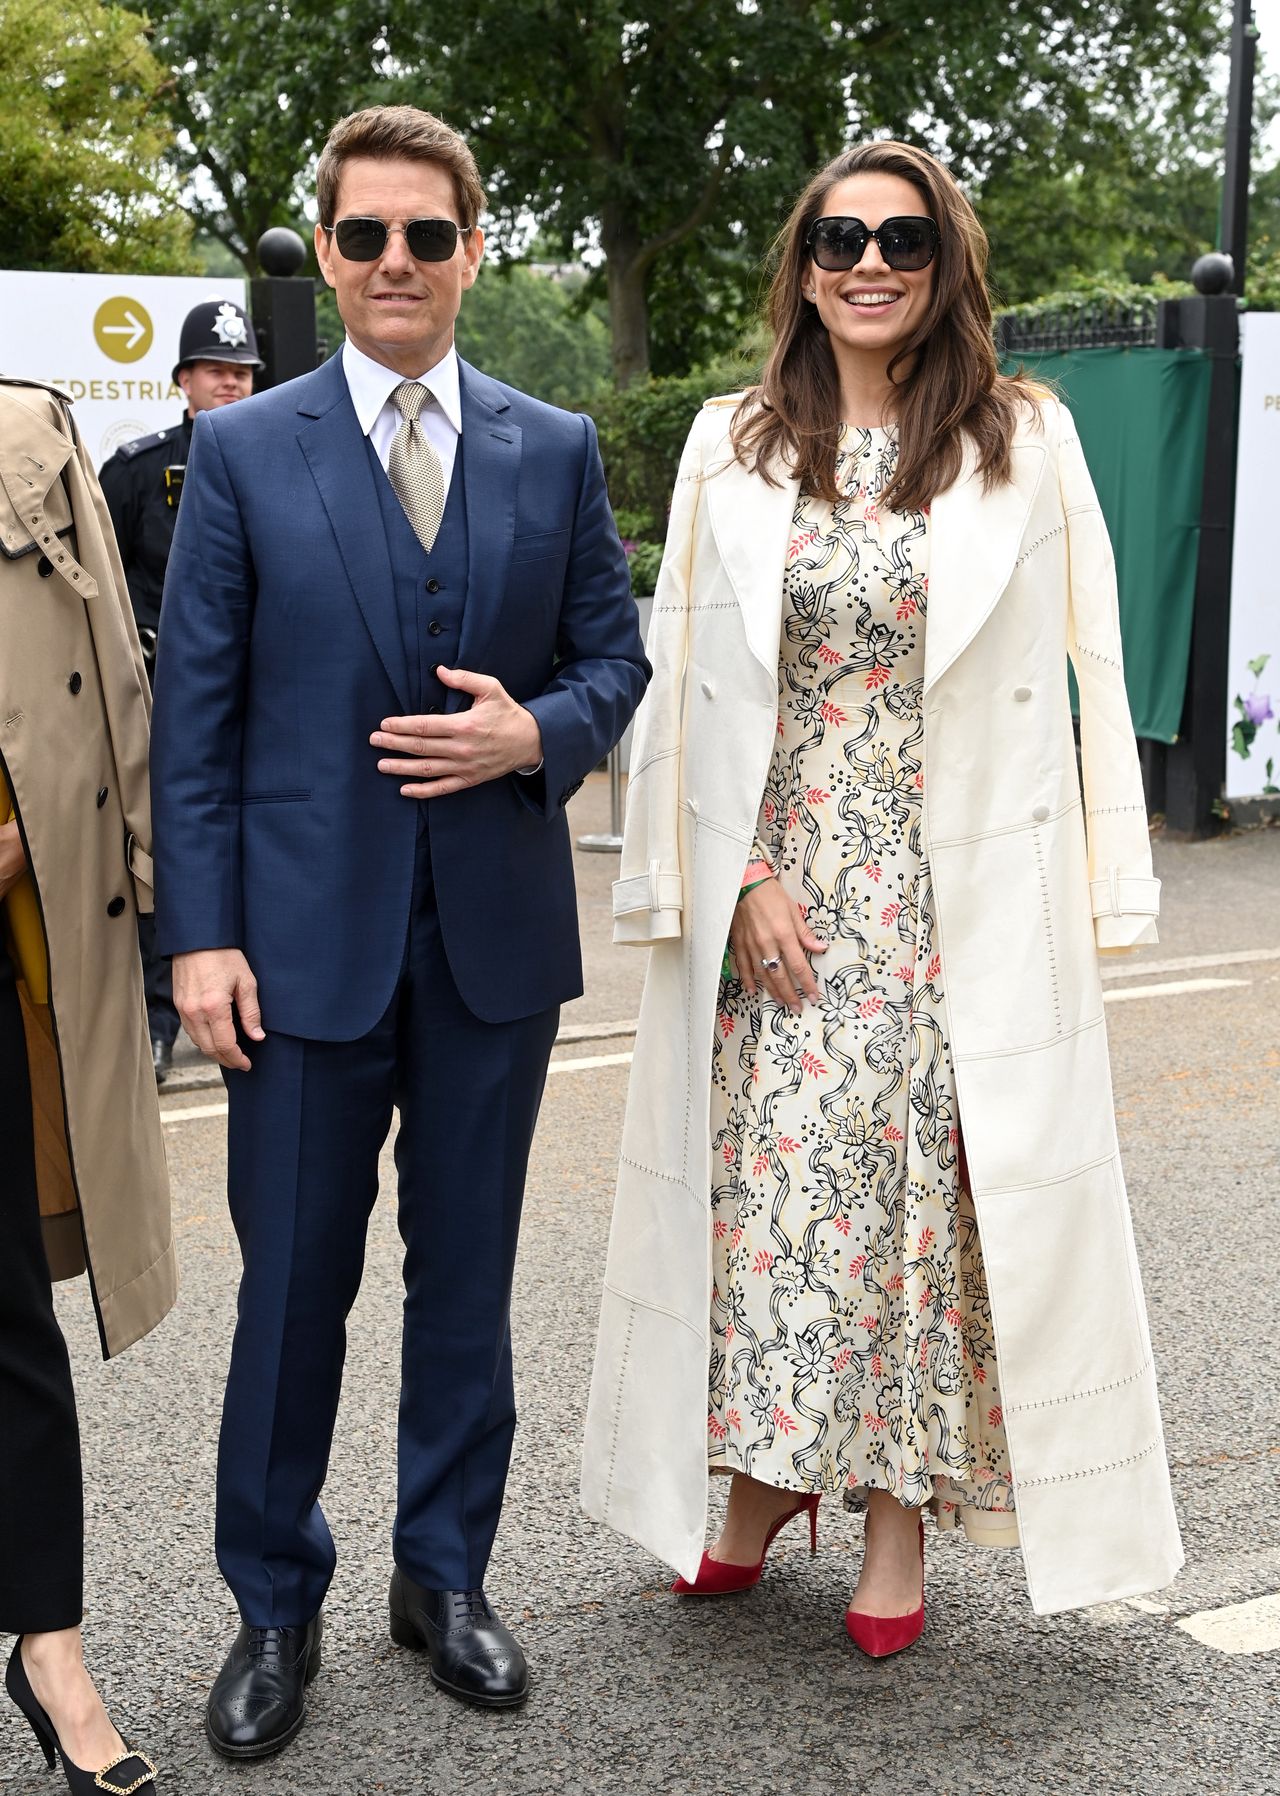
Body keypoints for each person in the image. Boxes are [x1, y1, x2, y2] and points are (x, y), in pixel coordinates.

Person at [582, 140, 1183, 1642]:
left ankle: (894, 1518)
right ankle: (760, 1478)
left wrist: (1113, 884)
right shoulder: (731, 441)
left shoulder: (1022, 439)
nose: (868, 262)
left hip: (951, 896)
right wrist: (734, 879)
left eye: (902, 240)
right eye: (839, 237)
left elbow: (1094, 661)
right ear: (800, 264)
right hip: (772, 884)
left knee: (917, 1204)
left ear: (943, 266)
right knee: (773, 1201)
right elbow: (682, 676)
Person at [150, 104, 648, 1758]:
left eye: (425, 236)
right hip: (293, 954)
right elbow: (197, 717)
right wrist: (198, 937)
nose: (392, 263)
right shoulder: (241, 453)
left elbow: (611, 659)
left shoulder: (552, 445)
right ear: (330, 252)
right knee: (291, 1289)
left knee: (469, 1285)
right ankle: (273, 1600)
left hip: (493, 944)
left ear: (472, 251)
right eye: (362, 236)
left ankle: (444, 1579)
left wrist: (540, 737)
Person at [0, 376, 175, 1793]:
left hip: (10, 944)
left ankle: (49, 1648)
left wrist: (151, 902)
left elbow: (117, 678)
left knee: (6, 1318)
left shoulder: (30, 433)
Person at [99, 299, 263, 1084]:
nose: (230, 385)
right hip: (155, 690)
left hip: (257, 696)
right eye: (216, 371)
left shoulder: (283, 459)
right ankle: (160, 1016)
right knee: (160, 851)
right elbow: (97, 580)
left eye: (242, 372)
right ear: (183, 380)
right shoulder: (136, 468)